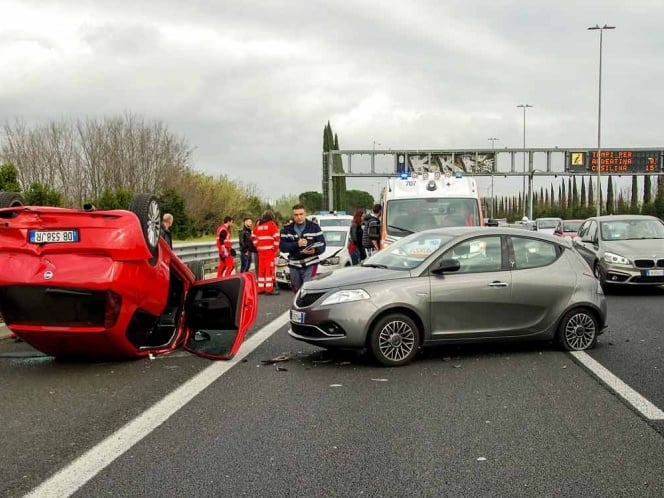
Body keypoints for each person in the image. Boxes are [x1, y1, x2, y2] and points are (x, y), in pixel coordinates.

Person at [279, 204, 326, 293]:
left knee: (307, 287)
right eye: (296, 215)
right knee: (296, 290)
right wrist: (297, 244)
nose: (299, 217)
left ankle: (308, 306)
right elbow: (282, 247)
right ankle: (298, 305)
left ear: (305, 214)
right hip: (294, 264)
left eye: (301, 214)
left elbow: (322, 245)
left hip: (310, 263)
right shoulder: (287, 229)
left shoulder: (314, 227)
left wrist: (315, 250)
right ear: (293, 215)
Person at [252, 211, 280, 294]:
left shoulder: (259, 225)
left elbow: (253, 236)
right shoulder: (271, 224)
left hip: (261, 250)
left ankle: (260, 288)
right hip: (269, 251)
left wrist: (257, 246)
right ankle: (269, 289)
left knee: (261, 269)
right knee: (269, 269)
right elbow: (276, 237)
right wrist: (275, 248)